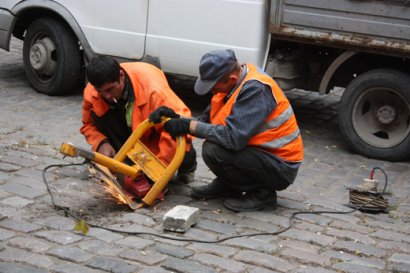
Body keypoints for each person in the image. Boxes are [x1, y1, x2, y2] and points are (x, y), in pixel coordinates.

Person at [153, 49, 303, 212]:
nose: (212, 91)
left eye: (213, 86)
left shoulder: (256, 89)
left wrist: (188, 126)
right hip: (259, 153)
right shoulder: (231, 86)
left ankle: (262, 195)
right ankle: (230, 185)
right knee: (213, 146)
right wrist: (177, 119)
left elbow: (234, 138)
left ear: (230, 79)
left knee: (214, 150)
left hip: (280, 166)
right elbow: (204, 121)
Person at [80, 56, 197, 196]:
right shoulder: (93, 91)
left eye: (110, 89)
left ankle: (187, 165)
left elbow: (180, 126)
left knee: (180, 137)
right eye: (101, 91)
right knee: (98, 114)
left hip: (154, 135)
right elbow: (88, 125)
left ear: (121, 76)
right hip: (130, 133)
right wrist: (101, 143)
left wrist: (157, 172)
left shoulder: (154, 91)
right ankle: (126, 158)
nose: (107, 96)